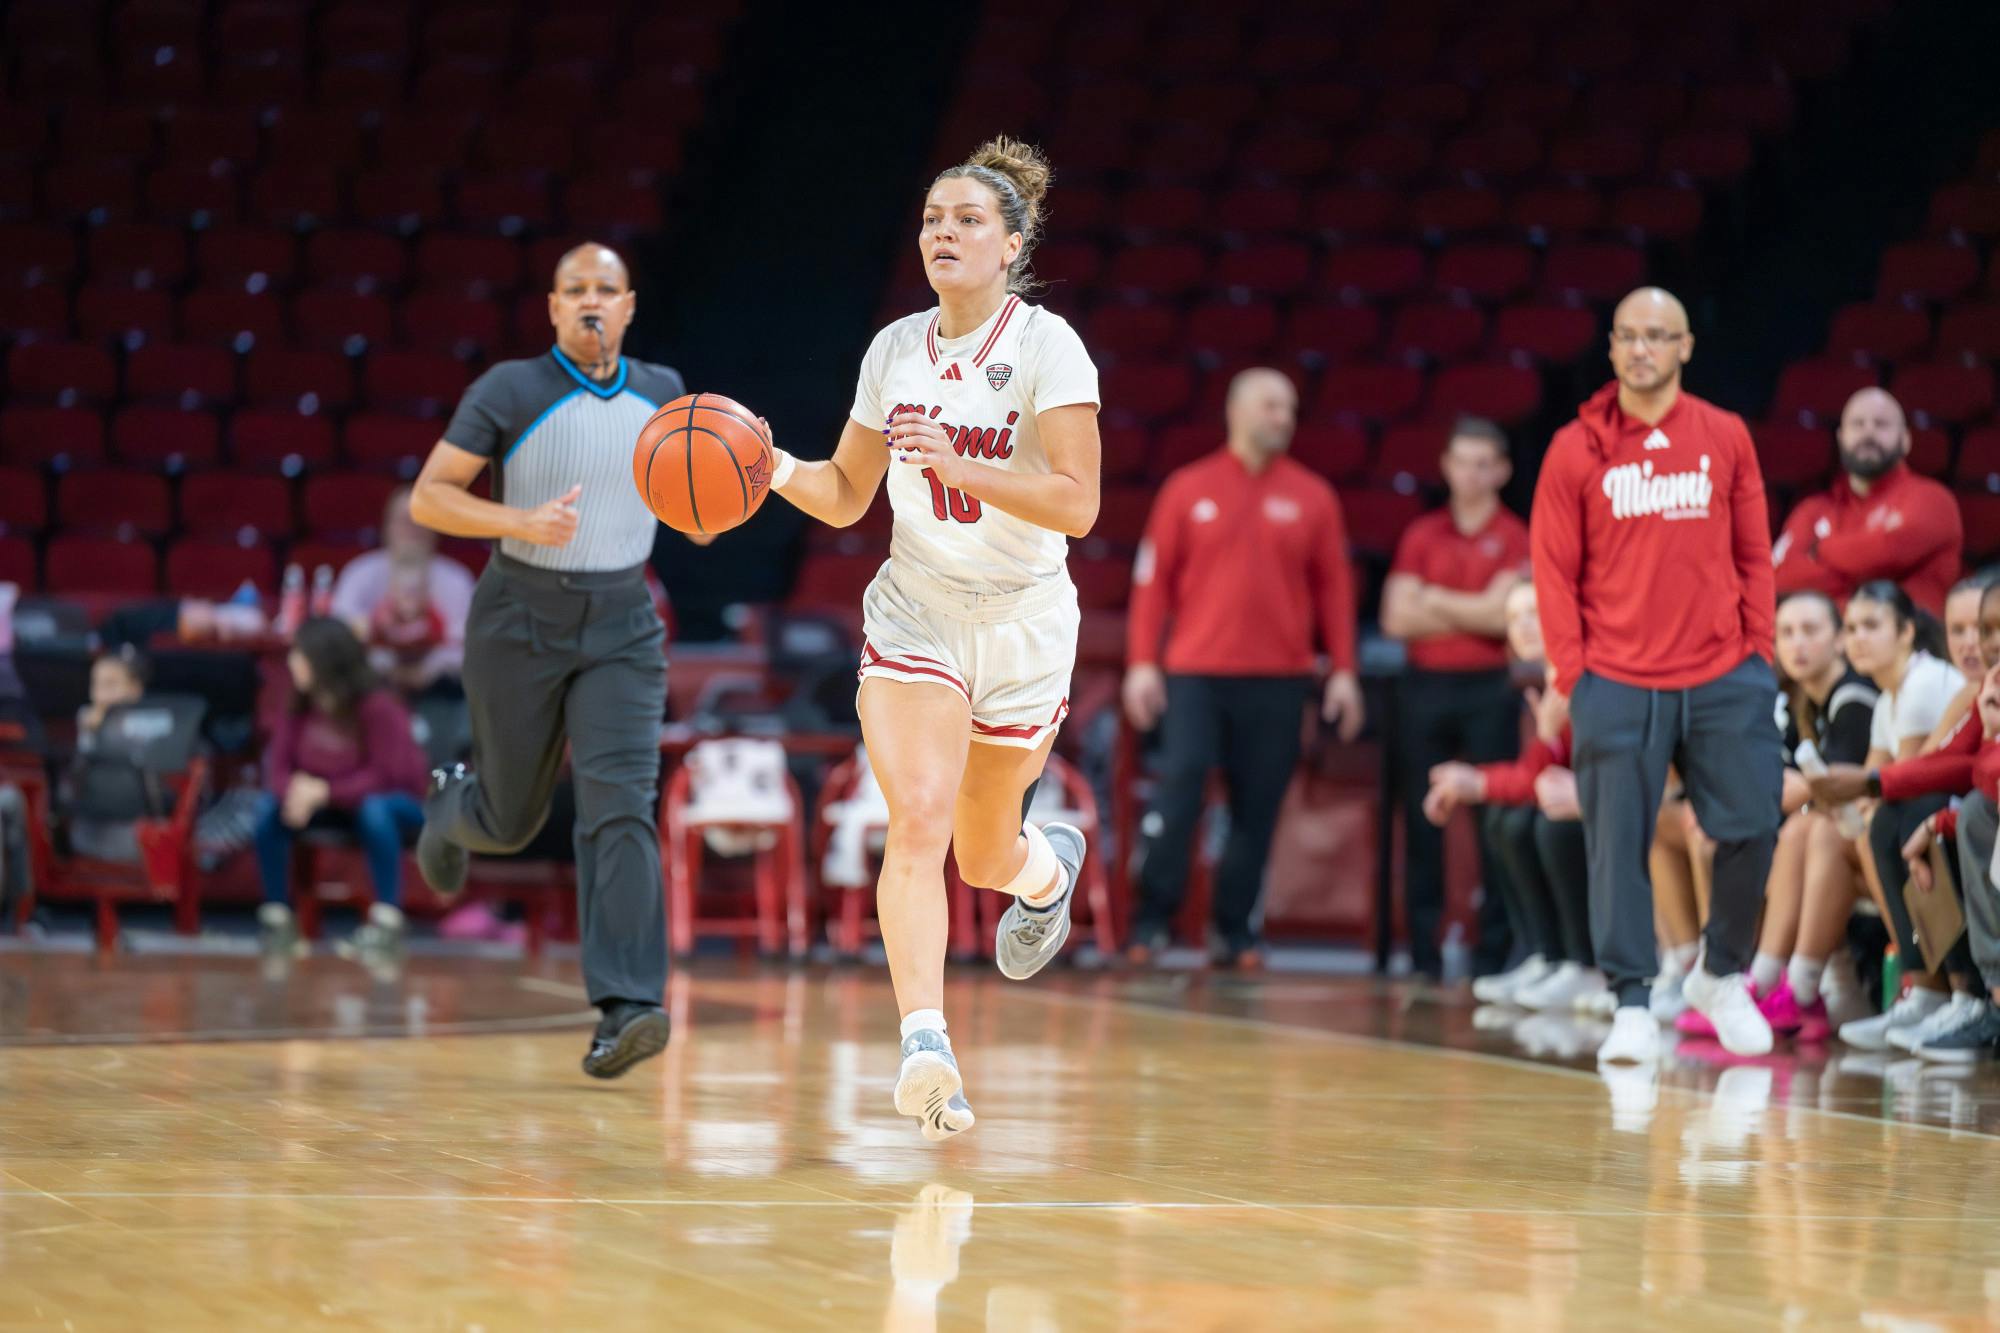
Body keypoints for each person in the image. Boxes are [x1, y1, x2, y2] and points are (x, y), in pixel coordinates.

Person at [757, 138, 1101, 1140]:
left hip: (1026, 622)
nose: (942, 233)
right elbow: (844, 491)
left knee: (985, 852)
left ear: (1011, 243)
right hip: (917, 609)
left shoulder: (1048, 348)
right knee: (915, 818)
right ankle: (924, 1045)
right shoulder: (892, 350)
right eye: (931, 219)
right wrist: (764, 460)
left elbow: (1076, 504)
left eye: (966, 220)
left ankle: (1047, 868)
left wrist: (964, 461)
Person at [409, 241, 701, 1080]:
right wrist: (516, 522)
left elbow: (684, 501)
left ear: (630, 304)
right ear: (551, 306)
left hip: (622, 622)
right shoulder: (509, 388)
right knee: (510, 820)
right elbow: (432, 495)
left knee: (620, 806)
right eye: (574, 289)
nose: (590, 302)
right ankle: (449, 804)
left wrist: (707, 512)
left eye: (605, 289)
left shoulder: (663, 392)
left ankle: (628, 1006)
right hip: (518, 617)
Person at [1531, 286, 1784, 1065]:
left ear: (1686, 347)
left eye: (1658, 336)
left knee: (1752, 825)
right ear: (1611, 348)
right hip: (1616, 675)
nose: (1642, 349)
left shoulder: (1725, 434)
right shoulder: (1575, 447)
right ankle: (1633, 1000)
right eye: (1628, 336)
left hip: (1721, 671)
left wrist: (1760, 652)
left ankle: (1719, 973)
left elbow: (1753, 553)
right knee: (1618, 845)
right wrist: (1575, 674)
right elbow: (1552, 570)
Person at [1121, 367, 1362, 970]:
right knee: (1179, 794)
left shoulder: (1313, 496)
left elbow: (1335, 590)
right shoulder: (1187, 488)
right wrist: (1141, 665)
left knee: (1258, 808)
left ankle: (1235, 932)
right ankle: (1151, 923)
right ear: (1236, 411)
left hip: (1280, 679)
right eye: (1271, 406)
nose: (1283, 417)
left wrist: (1345, 671)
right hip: (1196, 675)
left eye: (1289, 408)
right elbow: (1151, 585)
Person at [1680, 590, 1876, 1043]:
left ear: (1839, 640)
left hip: (1851, 839)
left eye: (1810, 630)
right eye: (1785, 633)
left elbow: (1815, 790)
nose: (1797, 644)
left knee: (1798, 829)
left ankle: (1769, 981)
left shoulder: (1854, 698)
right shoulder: (1794, 702)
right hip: (1817, 839)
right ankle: (1722, 971)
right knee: (1708, 832)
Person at [1382, 417, 1530, 981]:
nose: (1472, 473)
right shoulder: (1423, 532)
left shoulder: (1515, 534)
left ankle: (1492, 956)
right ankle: (1422, 954)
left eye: (1484, 462)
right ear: (1445, 466)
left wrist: (1433, 601)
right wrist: (1476, 606)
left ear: (1502, 470)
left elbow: (1505, 617)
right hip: (1425, 690)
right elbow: (1397, 616)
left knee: (1495, 823)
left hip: (1490, 689)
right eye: (1462, 460)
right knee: (1423, 824)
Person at [1423, 582, 1594, 1009]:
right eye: (1513, 619)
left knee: (1544, 826)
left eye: (1534, 613)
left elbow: (1540, 779)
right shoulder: (1545, 680)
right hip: (1585, 798)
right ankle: (1546, 956)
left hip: (1609, 803)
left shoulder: (1579, 675)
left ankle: (1583, 964)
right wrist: (1473, 781)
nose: (1523, 627)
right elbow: (1534, 773)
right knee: (1509, 821)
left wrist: (1476, 784)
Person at [254, 618, 428, 963]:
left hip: (398, 803)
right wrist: (296, 793)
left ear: (324, 658)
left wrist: (325, 792)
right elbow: (277, 769)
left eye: (299, 654)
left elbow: (385, 776)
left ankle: (387, 924)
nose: (292, 662)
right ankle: (279, 918)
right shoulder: (299, 704)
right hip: (326, 802)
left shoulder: (377, 706)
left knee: (374, 809)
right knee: (266, 809)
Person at [1771, 387, 1963, 615]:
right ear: (1841, 438)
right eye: (1857, 424)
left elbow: (1888, 553)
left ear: (1906, 440)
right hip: (1825, 647)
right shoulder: (1811, 510)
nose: (1868, 433)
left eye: (1881, 424)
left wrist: (1820, 549)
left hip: (1912, 647)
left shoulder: (1933, 500)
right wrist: (1863, 581)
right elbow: (1779, 578)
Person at [329, 486, 476, 694]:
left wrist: (428, 671)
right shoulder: (360, 573)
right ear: (386, 527)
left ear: (434, 526)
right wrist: (385, 666)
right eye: (403, 520)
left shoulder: (456, 579)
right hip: (370, 688)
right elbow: (340, 634)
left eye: (420, 519)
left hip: (445, 693)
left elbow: (470, 645)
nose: (412, 528)